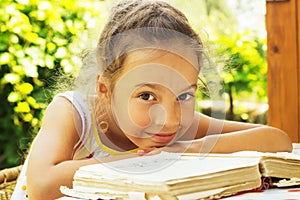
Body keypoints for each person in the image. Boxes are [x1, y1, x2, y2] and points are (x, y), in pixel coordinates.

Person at [12, 0, 292, 199]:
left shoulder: (180, 124)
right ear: (105, 89)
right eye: (146, 96)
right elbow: (41, 186)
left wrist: (189, 149)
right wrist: (143, 160)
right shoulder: (74, 112)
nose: (168, 119)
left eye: (184, 95)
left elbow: (276, 139)